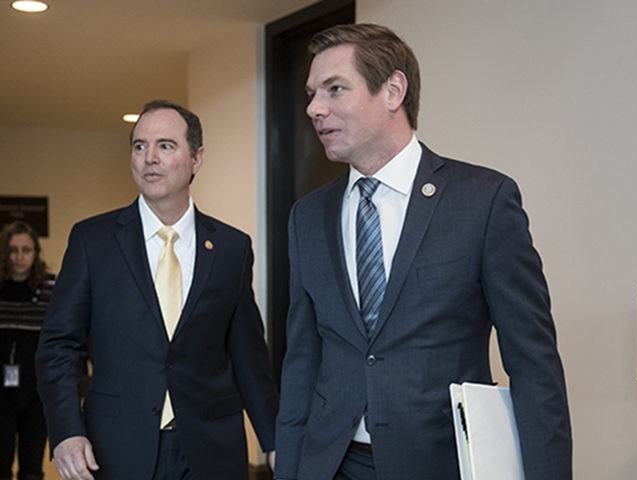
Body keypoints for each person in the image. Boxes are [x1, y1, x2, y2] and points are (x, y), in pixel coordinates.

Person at [274, 23, 572, 480]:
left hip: (441, 462)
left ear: (393, 90)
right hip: (331, 463)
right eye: (312, 93)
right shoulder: (307, 217)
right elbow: (301, 366)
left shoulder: (483, 201)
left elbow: (534, 365)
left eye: (335, 89)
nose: (315, 108)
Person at [35, 100, 279, 480]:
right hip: (116, 447)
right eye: (139, 146)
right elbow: (58, 346)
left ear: (197, 158)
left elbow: (248, 353)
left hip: (211, 448)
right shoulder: (92, 240)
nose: (150, 158)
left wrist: (274, 439)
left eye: (165, 145)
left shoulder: (232, 248)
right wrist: (66, 431)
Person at [0, 221, 55, 480]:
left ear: (35, 253)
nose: (19, 257)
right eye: (12, 250)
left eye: (26, 250)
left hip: (37, 392)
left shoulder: (50, 290)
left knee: (32, 467)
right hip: (1, 395)